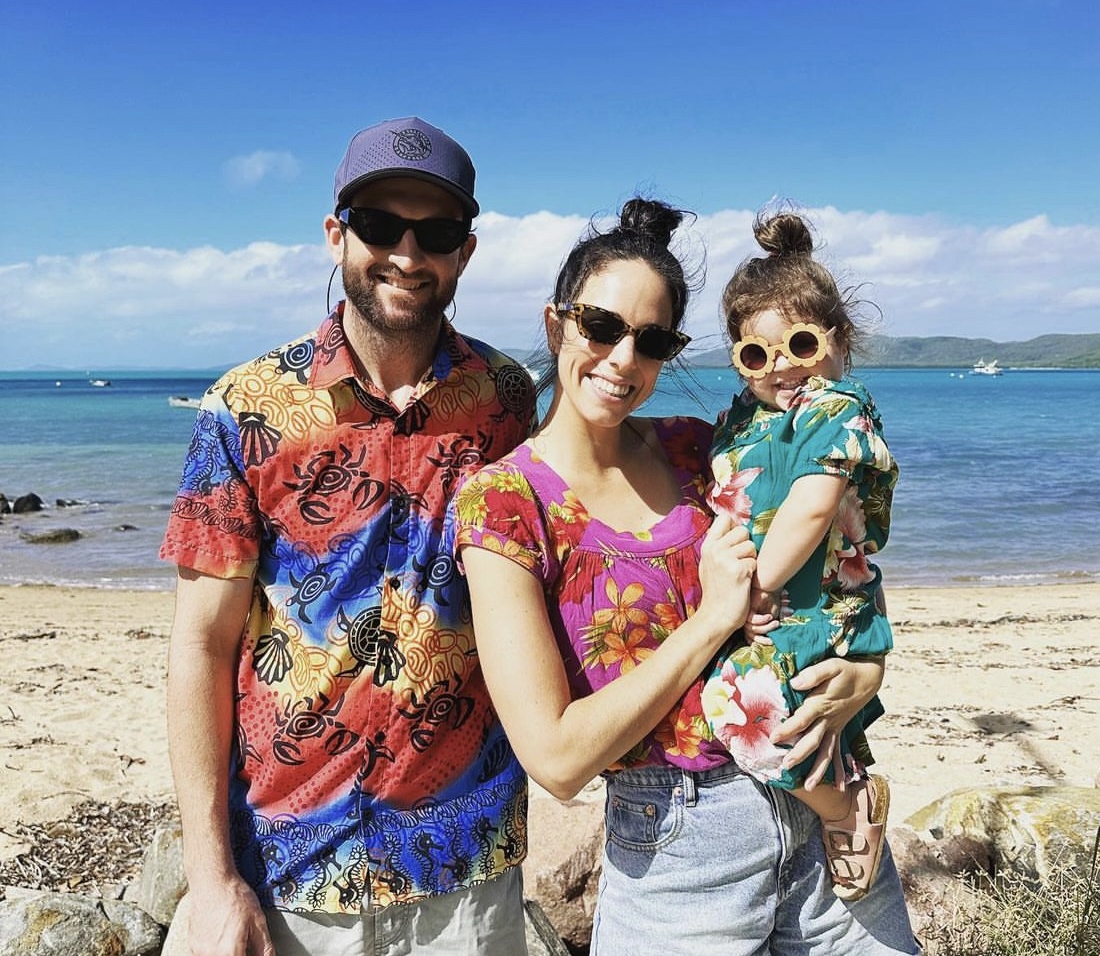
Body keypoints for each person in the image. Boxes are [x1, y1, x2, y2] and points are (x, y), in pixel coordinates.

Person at [452, 198, 919, 955]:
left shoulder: (697, 450)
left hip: (824, 799)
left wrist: (866, 664)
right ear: (554, 323)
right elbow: (558, 759)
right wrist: (711, 623)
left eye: (652, 339)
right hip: (678, 847)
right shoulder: (505, 503)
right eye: (600, 327)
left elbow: (830, 544)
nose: (622, 360)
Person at [161, 117, 537, 956]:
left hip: (470, 870)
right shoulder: (245, 409)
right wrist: (212, 878)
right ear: (336, 235)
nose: (406, 253)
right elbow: (201, 647)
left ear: (465, 253)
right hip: (295, 870)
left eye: (434, 232)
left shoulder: (507, 401)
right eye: (378, 226)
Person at [700, 208, 898, 904]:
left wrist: (750, 588)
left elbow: (812, 506)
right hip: (778, 609)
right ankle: (843, 793)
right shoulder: (741, 421)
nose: (781, 367)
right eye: (756, 355)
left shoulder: (836, 409)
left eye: (801, 344)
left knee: (734, 708)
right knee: (808, 727)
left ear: (838, 342)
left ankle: (850, 811)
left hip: (818, 607)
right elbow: (725, 506)